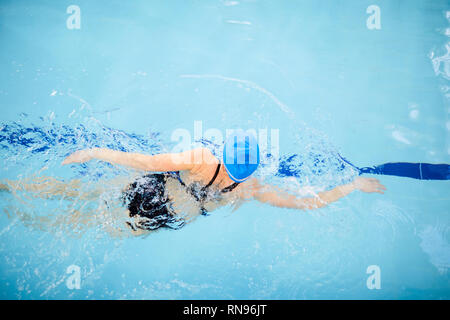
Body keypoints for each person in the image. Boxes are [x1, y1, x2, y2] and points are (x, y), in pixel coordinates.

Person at [1, 130, 385, 236]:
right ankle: (23, 216)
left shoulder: (201, 158)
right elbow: (306, 203)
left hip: (147, 186)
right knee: (79, 225)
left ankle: (9, 187)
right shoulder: (251, 189)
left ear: (224, 150)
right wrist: (352, 187)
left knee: (74, 192)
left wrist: (94, 152)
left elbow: (145, 161)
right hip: (166, 215)